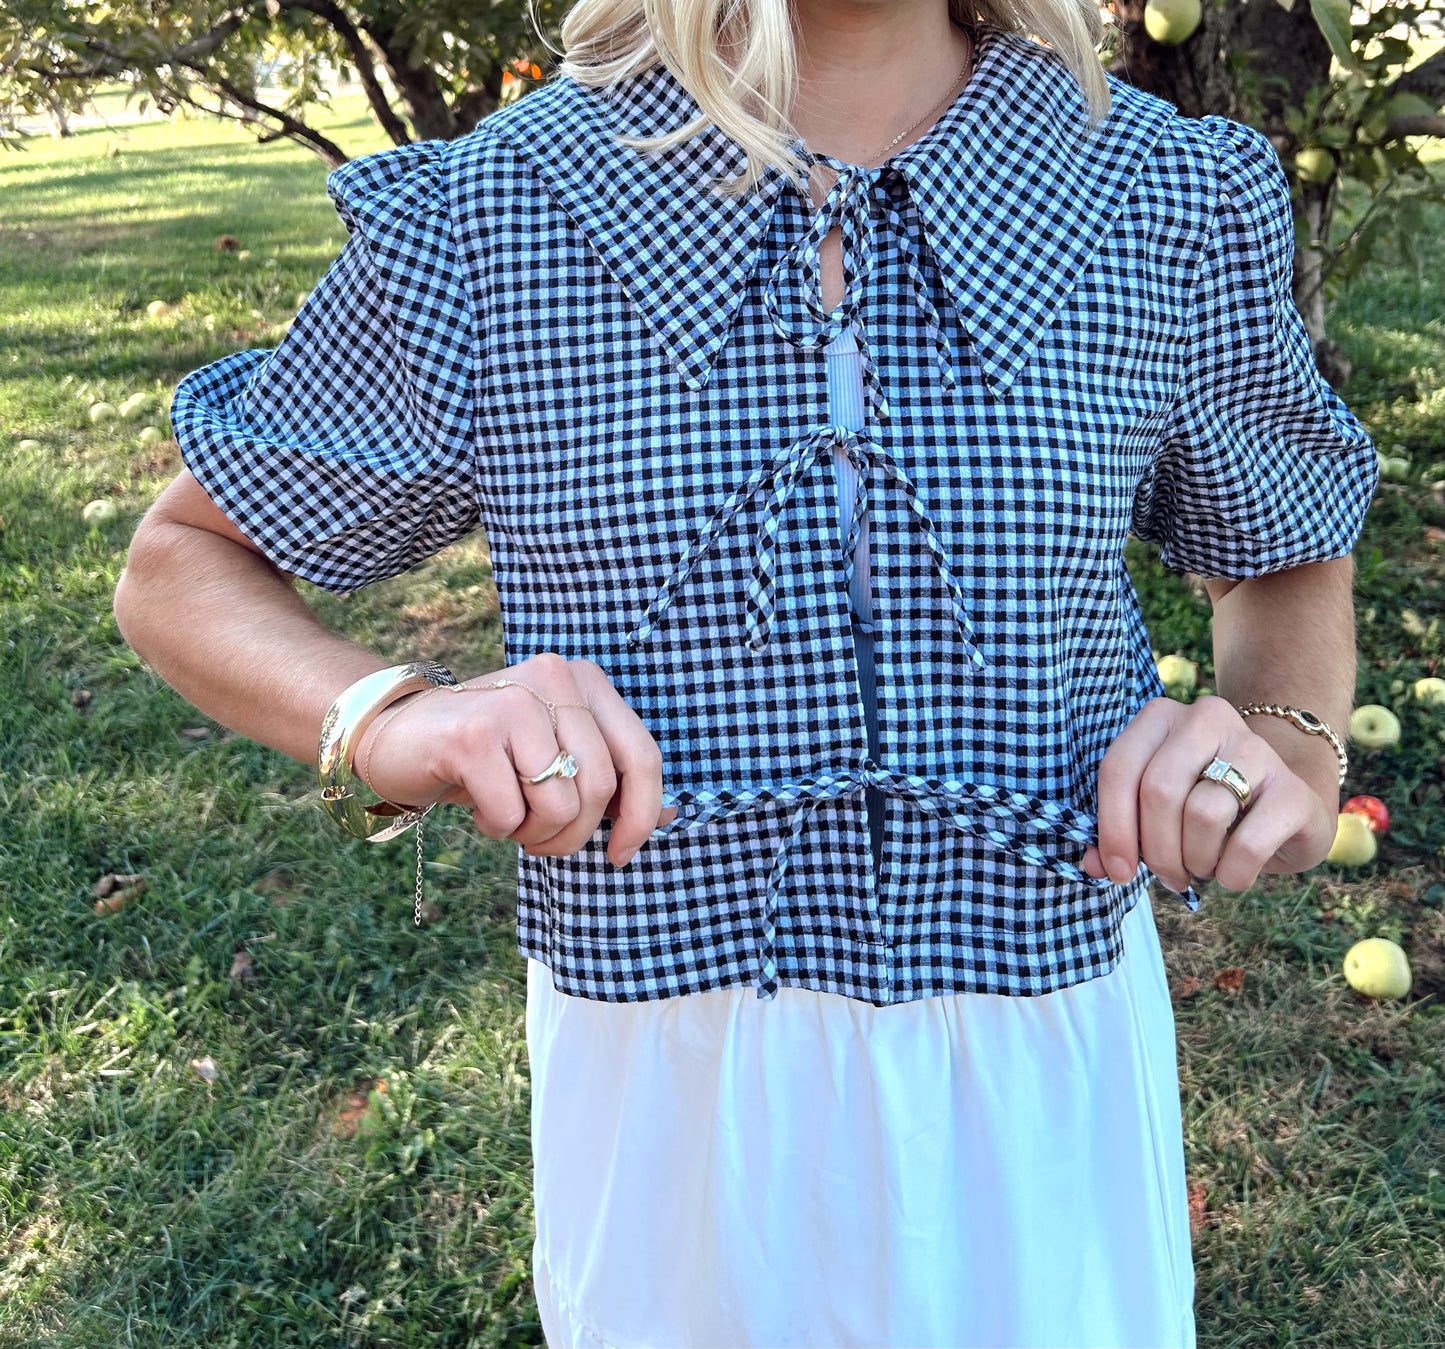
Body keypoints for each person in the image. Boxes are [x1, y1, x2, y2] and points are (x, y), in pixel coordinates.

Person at [114, 0, 1378, 1344]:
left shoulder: (1154, 194)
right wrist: (386, 714)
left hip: (1038, 1073)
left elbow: (1283, 549)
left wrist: (1281, 739)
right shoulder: (498, 212)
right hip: (666, 1090)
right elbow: (180, 564)